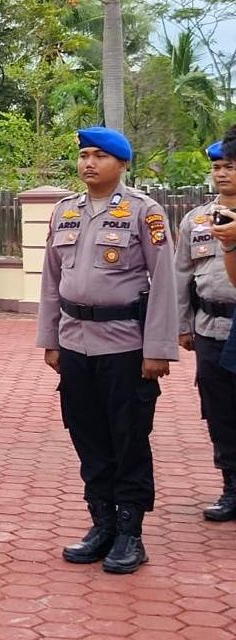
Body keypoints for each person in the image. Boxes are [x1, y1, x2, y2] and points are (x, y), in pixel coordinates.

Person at [37, 128, 176, 573]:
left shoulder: (143, 212)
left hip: (126, 347)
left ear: (122, 164)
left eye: (99, 156)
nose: (88, 163)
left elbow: (165, 285)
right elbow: (51, 282)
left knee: (129, 439)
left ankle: (130, 533)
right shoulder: (64, 212)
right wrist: (50, 339)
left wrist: (157, 349)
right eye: (84, 155)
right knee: (88, 437)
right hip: (76, 345)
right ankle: (102, 523)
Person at [178, 140, 236, 523]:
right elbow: (180, 275)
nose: (221, 173)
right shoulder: (196, 220)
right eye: (217, 166)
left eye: (230, 165)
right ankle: (231, 486)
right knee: (220, 413)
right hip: (211, 330)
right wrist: (182, 326)